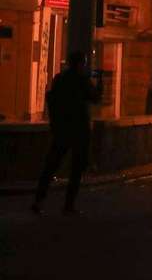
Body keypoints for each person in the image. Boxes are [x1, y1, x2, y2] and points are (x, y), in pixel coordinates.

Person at [32, 50, 102, 215]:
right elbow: (96, 98)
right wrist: (99, 82)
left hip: (62, 129)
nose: (85, 66)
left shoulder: (59, 79)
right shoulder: (82, 81)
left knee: (51, 166)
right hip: (78, 130)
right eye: (84, 62)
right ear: (79, 64)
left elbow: (53, 99)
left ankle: (38, 200)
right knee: (76, 169)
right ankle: (68, 205)